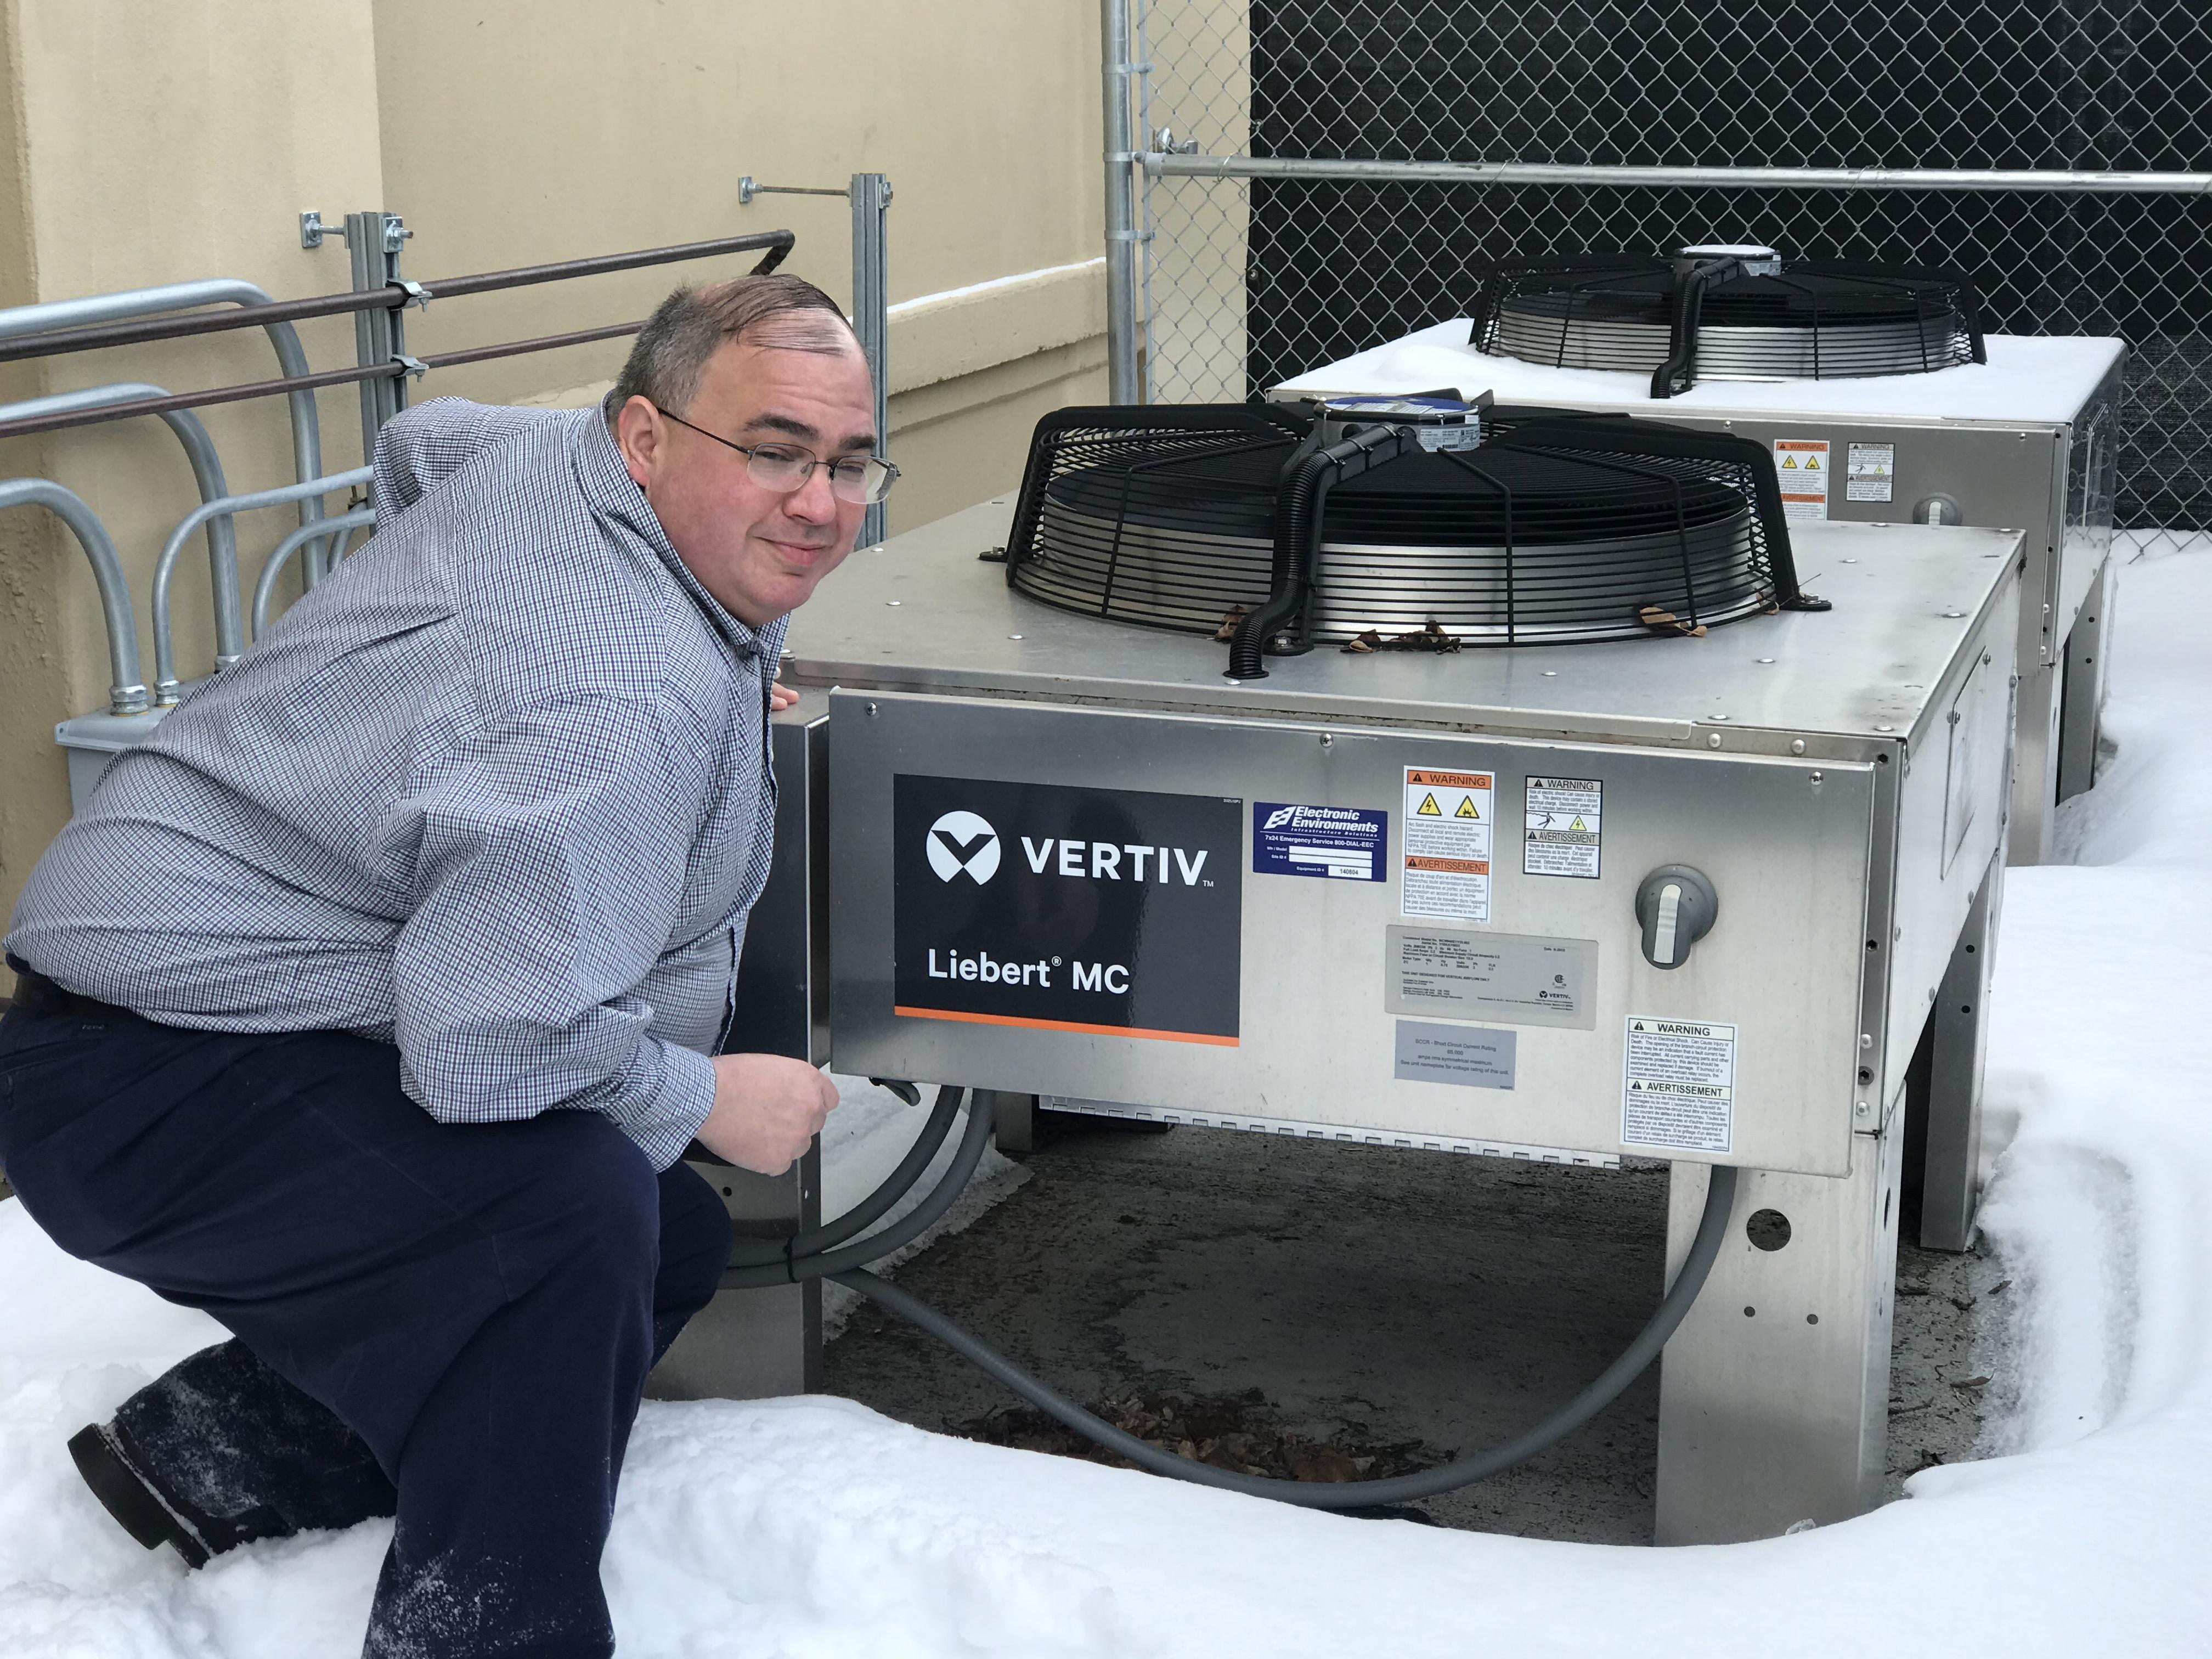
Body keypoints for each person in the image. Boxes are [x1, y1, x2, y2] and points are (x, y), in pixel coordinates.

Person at [0, 271, 894, 1658]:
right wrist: (710, 1098)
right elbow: (492, 1047)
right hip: (137, 1079)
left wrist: (621, 669)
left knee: (671, 1234)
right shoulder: (607, 701)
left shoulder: (565, 469)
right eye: (775, 453)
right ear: (646, 438)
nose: (821, 503)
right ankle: (483, 1631)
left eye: (847, 462)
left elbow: (431, 443)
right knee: (570, 1218)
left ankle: (209, 1456)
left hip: (210, 1010)